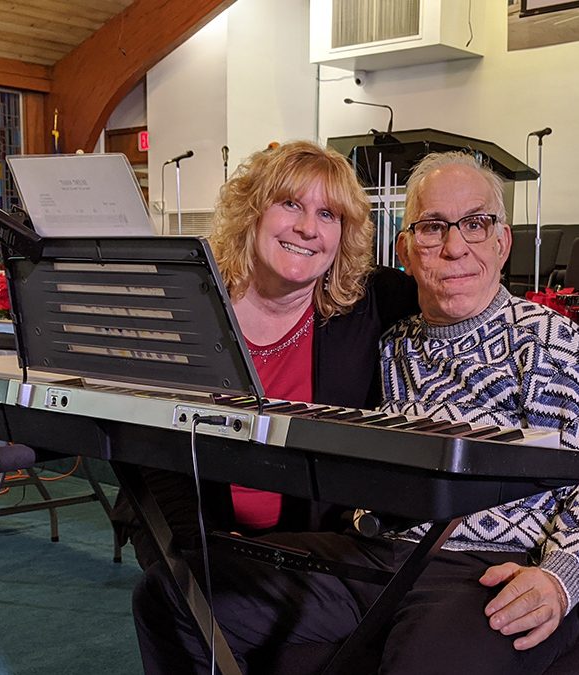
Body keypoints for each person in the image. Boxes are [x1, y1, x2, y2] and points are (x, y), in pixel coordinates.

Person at [131, 151, 579, 674]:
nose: (455, 246)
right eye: (434, 227)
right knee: (176, 596)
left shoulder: (547, 339)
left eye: (476, 225)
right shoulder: (392, 340)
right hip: (372, 555)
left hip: (489, 568)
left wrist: (560, 576)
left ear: (503, 242)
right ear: (406, 252)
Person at [112, 140, 417, 569]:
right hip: (188, 527)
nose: (308, 228)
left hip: (316, 544)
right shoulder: (189, 304)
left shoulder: (369, 303)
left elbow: (454, 287)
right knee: (180, 607)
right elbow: (152, 449)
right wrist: (207, 546)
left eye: (328, 214)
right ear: (252, 212)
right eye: (290, 204)